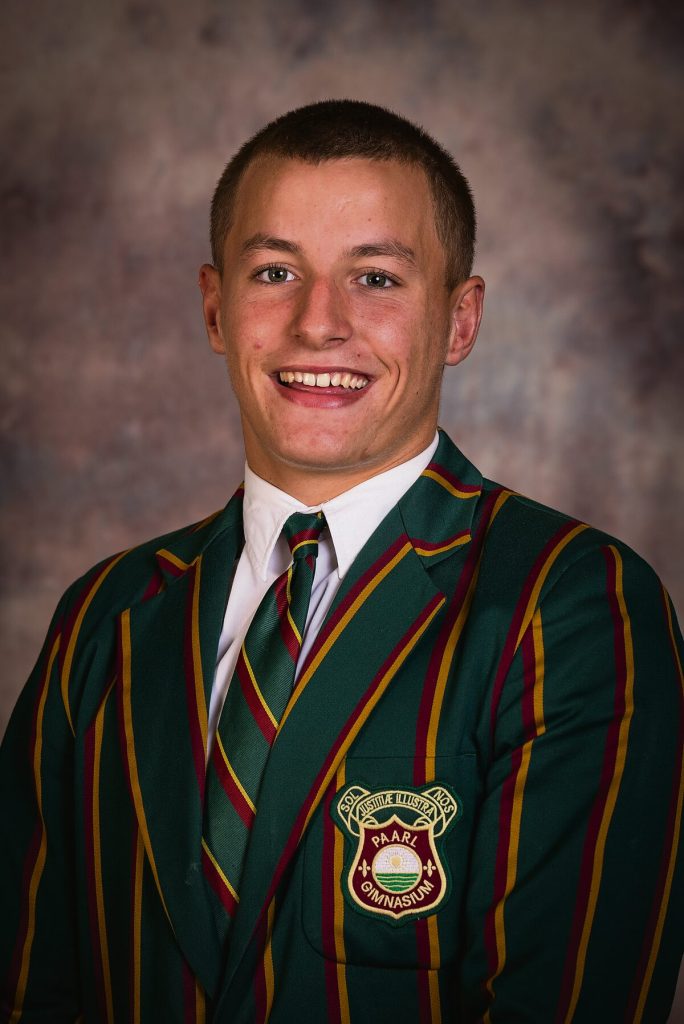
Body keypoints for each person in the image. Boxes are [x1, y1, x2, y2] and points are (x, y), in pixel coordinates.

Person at [1, 100, 681, 1024]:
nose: (318, 324)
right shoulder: (107, 617)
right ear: (215, 307)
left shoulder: (570, 606)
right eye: (275, 272)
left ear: (460, 321)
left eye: (376, 278)